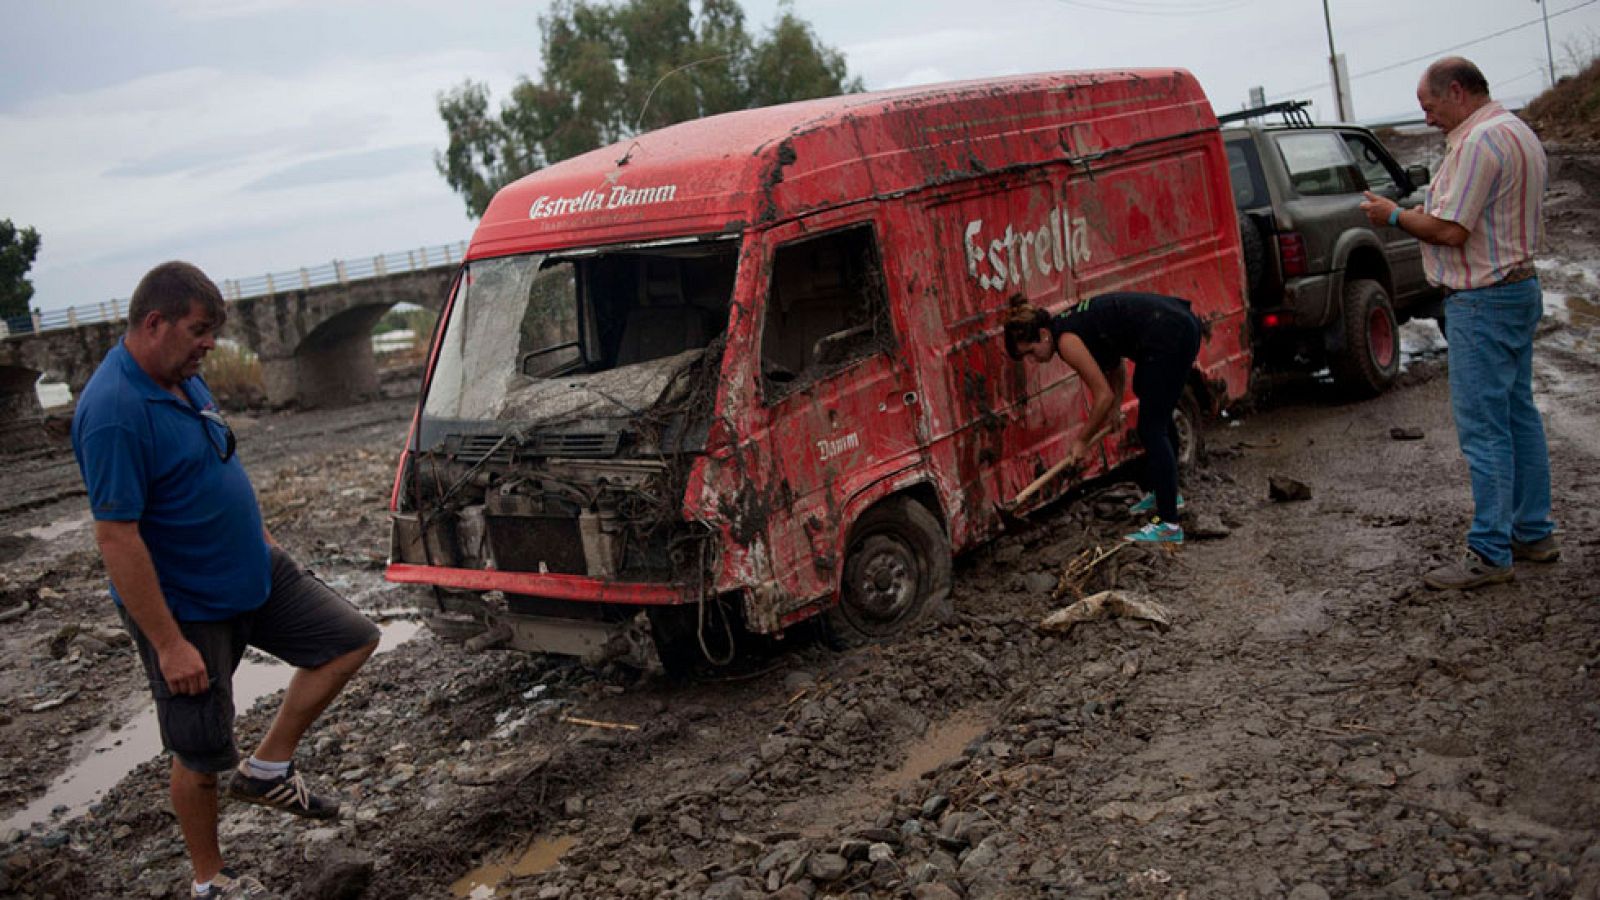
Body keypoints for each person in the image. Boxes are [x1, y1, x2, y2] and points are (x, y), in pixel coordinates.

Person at [71, 262, 380, 899]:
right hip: (187, 604)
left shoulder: (185, 378)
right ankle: (210, 881)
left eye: (212, 331)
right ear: (154, 323)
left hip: (252, 567)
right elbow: (117, 537)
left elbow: (216, 461)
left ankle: (268, 769)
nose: (210, 344)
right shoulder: (113, 411)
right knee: (202, 752)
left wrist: (261, 537)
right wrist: (169, 644)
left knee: (350, 638)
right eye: (199, 330)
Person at [1359, 56, 1556, 590]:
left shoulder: (1477, 144)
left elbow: (1450, 231)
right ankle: (1534, 531)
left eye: (1429, 106)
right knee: (1517, 414)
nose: (1426, 118)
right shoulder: (1517, 131)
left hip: (1483, 298)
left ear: (1456, 91)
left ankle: (1490, 552)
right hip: (1518, 286)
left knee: (1485, 429)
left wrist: (1392, 215)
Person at [1003, 291, 1203, 543]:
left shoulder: (1066, 341)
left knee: (1152, 427)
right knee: (1149, 402)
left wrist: (1082, 440)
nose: (1032, 360)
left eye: (1030, 352)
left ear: (1043, 334)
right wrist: (1116, 408)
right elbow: (1114, 364)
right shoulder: (1068, 326)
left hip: (1172, 333)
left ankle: (1168, 525)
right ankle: (1168, 495)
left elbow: (1102, 395)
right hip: (1176, 325)